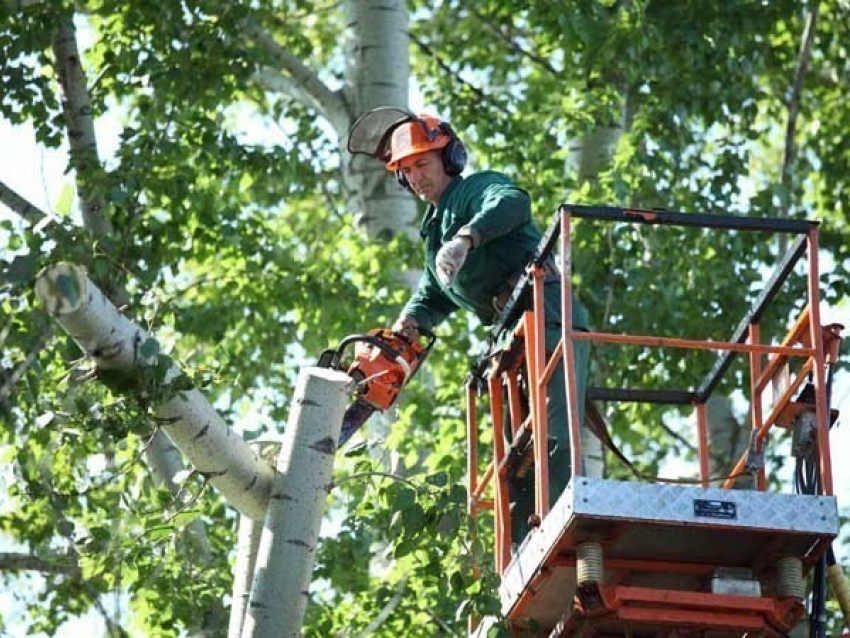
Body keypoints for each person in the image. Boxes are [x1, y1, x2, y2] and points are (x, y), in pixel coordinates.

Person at [376, 112, 590, 545]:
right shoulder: (434, 234)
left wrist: (468, 238)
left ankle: (563, 529)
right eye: (407, 171)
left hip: (545, 316)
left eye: (423, 164)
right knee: (516, 456)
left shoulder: (476, 189)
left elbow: (513, 203)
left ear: (450, 158)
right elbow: (435, 293)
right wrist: (409, 323)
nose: (416, 178)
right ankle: (523, 541)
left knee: (551, 437)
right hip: (511, 344)